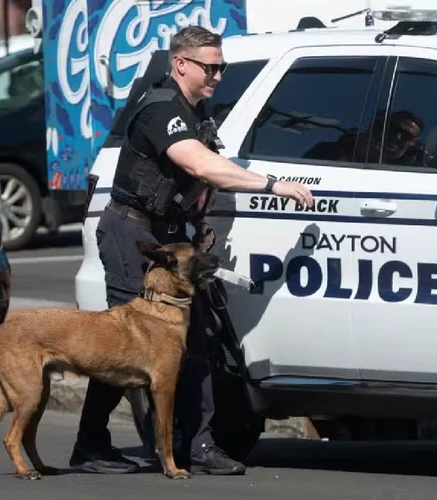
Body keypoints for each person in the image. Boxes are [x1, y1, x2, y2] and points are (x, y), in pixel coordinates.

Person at [68, 25, 314, 476]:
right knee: (124, 346)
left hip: (172, 243)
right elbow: (200, 164)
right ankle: (91, 445)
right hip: (132, 236)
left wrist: (202, 226)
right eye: (211, 67)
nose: (218, 76)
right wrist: (274, 185)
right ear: (181, 64)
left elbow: (199, 181)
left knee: (195, 343)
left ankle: (199, 445)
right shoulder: (161, 109)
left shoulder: (199, 110)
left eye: (222, 67)